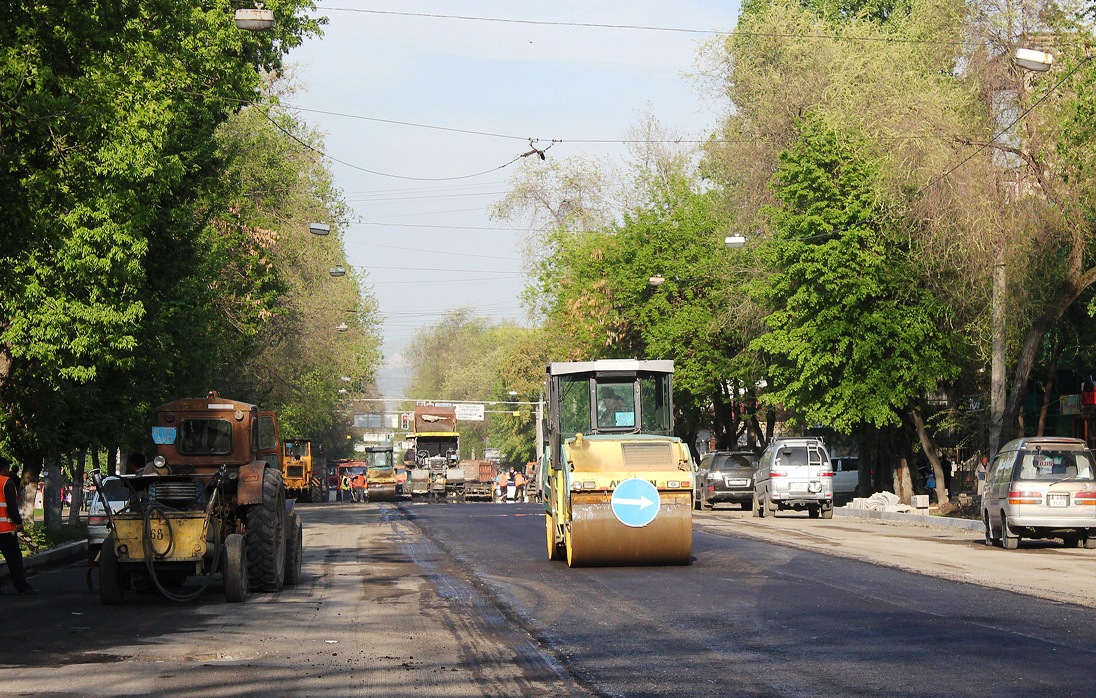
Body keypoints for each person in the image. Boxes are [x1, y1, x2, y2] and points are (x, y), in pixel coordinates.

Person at [0, 457, 35, 594]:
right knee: (14, 559)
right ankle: (21, 586)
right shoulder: (6, 483)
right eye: (7, 467)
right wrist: (18, 522)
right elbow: (11, 507)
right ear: (4, 469)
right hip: (5, 530)